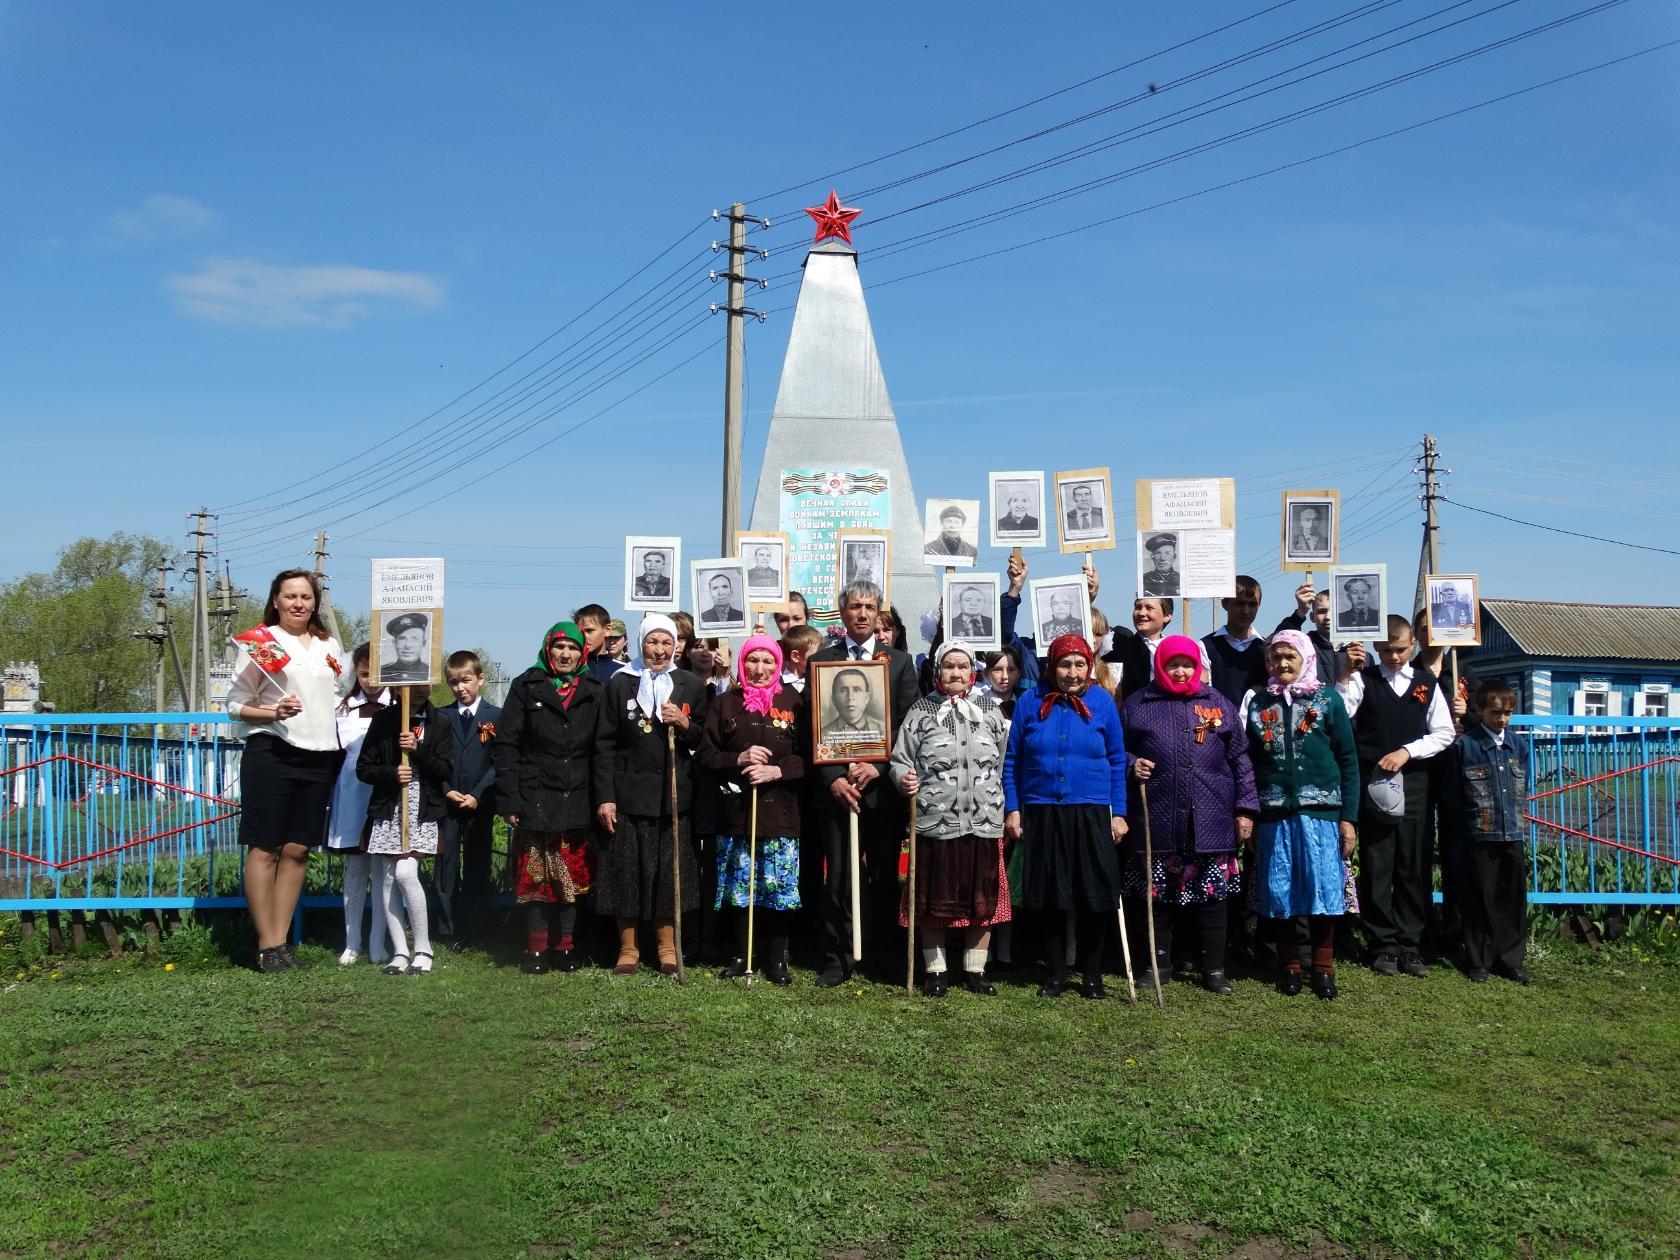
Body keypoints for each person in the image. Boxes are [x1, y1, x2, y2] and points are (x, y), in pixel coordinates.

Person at [1121, 635, 1257, 995]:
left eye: (1187, 664)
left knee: (1213, 898)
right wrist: (1132, 764)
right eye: (1172, 664)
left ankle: (1213, 969)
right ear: (1160, 666)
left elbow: (1240, 760)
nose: (1180, 672)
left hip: (1210, 815)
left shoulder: (1217, 704)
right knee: (1158, 895)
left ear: (1198, 666)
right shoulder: (1139, 703)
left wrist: (1245, 809)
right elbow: (1115, 750)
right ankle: (1157, 964)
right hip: (1158, 814)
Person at [228, 568, 348, 973]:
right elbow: (235, 704)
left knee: (298, 850)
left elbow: (339, 694)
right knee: (266, 847)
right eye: (290, 596)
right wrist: (272, 711)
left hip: (320, 754)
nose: (299, 603)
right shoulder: (261, 642)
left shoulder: (329, 644)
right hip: (273, 750)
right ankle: (266, 946)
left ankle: (281, 945)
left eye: (306, 597)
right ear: (276, 600)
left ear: (316, 602)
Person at [1003, 634, 1128, 998]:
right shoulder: (1031, 701)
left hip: (1091, 810)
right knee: (1050, 894)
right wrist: (1013, 808)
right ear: (1051, 666)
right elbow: (1013, 761)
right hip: (1042, 810)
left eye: (1079, 664)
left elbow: (1118, 759)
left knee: (1093, 895)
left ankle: (1091, 974)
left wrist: (1118, 813)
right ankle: (1056, 973)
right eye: (1064, 664)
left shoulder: (1102, 702)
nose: (1072, 673)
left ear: (1089, 666)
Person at [809, 580, 920, 986]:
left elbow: (909, 725)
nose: (861, 613)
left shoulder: (900, 663)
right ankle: (838, 957)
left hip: (880, 791)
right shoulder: (821, 661)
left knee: (885, 878)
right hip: (839, 794)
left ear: (878, 615)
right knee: (838, 877)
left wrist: (880, 765)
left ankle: (887, 955)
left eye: (869, 607)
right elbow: (812, 728)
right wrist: (832, 779)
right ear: (843, 612)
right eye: (854, 606)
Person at [1244, 629, 1360, 1000]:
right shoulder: (1259, 703)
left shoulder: (1327, 701)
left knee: (1323, 890)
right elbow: (1247, 761)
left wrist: (1349, 818)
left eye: (1289, 656)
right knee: (1281, 893)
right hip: (1275, 813)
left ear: (1305, 657)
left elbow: (1348, 761)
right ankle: (1289, 965)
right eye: (1275, 658)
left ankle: (1323, 968)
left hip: (1321, 814)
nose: (1282, 664)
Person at [891, 640, 1011, 997]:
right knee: (932, 899)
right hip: (935, 819)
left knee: (981, 897)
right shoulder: (921, 711)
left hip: (982, 820)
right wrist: (903, 778)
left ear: (972, 671)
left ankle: (975, 970)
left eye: (962, 666)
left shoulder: (992, 711)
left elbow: (1003, 763)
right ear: (937, 670)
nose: (955, 673)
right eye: (948, 666)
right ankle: (936, 971)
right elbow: (901, 760)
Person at [1337, 614, 1455, 978]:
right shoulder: (1363, 680)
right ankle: (1382, 944)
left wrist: (1407, 751)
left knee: (1413, 865)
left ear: (1413, 646)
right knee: (1378, 864)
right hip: (1374, 784)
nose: (1394, 656)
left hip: (1414, 783)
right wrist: (1344, 676)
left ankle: (1410, 944)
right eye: (1386, 650)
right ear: (1375, 647)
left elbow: (1444, 732)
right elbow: (1339, 715)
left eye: (1401, 649)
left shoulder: (1426, 683)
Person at [593, 613, 709, 976]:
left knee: (667, 873)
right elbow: (603, 745)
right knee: (627, 872)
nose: (659, 650)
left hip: (673, 797)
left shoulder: (689, 684)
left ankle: (665, 947)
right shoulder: (620, 684)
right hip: (628, 794)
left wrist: (686, 723)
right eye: (652, 642)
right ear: (640, 643)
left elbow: (706, 740)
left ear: (677, 645)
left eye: (666, 642)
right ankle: (628, 949)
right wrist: (606, 796)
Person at [494, 621, 605, 974]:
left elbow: (603, 750)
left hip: (578, 796)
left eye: (573, 648)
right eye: (559, 647)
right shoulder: (526, 686)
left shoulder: (594, 689)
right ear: (547, 650)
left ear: (582, 652)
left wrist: (604, 797)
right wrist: (509, 799)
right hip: (535, 794)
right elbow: (507, 744)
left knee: (570, 878)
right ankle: (536, 947)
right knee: (536, 878)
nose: (566, 654)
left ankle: (566, 946)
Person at [698, 633, 806, 986]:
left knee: (777, 891)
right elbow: (706, 754)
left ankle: (777, 959)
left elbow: (810, 756)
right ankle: (741, 953)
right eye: (752, 661)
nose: (759, 669)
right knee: (740, 890)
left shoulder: (794, 701)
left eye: (767, 661)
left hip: (780, 815)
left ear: (779, 664)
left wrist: (777, 770)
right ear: (741, 663)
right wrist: (738, 758)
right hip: (737, 814)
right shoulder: (726, 702)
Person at [356, 682, 449, 975]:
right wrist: (391, 773)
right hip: (388, 808)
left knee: (405, 873)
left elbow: (446, 769)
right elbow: (364, 767)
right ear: (397, 687)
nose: (418, 690)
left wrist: (417, 751)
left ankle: (423, 948)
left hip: (422, 808)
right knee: (386, 880)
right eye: (410, 686)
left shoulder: (440, 722)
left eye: (423, 685)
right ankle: (399, 951)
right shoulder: (383, 721)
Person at [1445, 679, 1531, 985]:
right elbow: (1454, 793)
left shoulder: (1518, 745)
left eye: (1507, 712)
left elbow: (1524, 786)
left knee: (1512, 898)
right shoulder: (1466, 746)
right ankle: (1478, 959)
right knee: (1479, 896)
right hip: (1479, 835)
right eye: (1496, 712)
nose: (1502, 719)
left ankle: (1510, 959)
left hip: (1513, 833)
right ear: (1479, 710)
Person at [325, 644, 390, 966]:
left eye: (378, 674)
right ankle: (352, 941)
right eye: (365, 674)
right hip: (351, 795)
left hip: (385, 794)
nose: (371, 681)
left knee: (383, 871)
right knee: (355, 870)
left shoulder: (399, 706)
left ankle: (379, 941)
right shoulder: (344, 708)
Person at [432, 649, 499, 951]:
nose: (460, 688)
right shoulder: (441, 716)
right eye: (453, 682)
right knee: (446, 866)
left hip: (479, 805)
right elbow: (433, 759)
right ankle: (447, 928)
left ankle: (476, 927)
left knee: (477, 864)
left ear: (480, 679)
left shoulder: (495, 716)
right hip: (448, 804)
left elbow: (499, 762)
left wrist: (478, 795)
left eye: (466, 680)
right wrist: (446, 788)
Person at [1105, 597, 1212, 703]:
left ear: (1167, 616)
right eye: (1138, 607)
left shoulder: (1177, 651)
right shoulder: (1118, 647)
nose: (1141, 613)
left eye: (1149, 608)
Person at [1203, 576, 1269, 706]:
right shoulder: (1206, 647)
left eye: (1252, 604)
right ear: (1225, 604)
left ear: (1259, 605)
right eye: (1239, 603)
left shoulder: (1266, 648)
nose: (1246, 611)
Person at [1274, 582, 1341, 688]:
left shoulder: (1357, 652)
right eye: (1322, 611)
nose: (1328, 617)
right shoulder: (1304, 648)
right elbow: (1279, 641)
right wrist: (1300, 611)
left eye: (1334, 611)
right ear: (1312, 617)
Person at [575, 603, 625, 683]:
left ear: (607, 630)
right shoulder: (572, 669)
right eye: (580, 632)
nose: (584, 636)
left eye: (589, 630)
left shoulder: (623, 671)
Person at [380, 612, 430, 684]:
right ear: (394, 643)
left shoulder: (430, 673)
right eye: (402, 638)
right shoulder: (382, 674)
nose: (408, 645)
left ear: (423, 643)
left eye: (415, 639)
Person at [779, 624, 822, 694]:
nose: (822, 658)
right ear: (795, 656)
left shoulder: (821, 683)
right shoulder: (777, 688)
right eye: (817, 654)